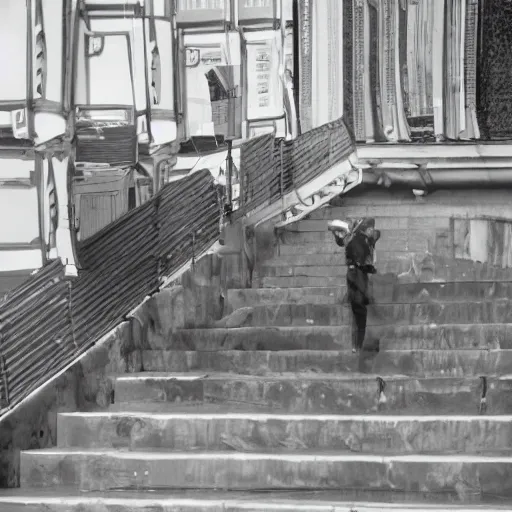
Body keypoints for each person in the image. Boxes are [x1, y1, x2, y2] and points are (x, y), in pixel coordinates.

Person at [331, 218, 381, 353]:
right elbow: (345, 244)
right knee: (359, 311)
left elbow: (376, 235)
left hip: (358, 276)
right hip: (356, 276)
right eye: (369, 229)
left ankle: (359, 344)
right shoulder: (356, 240)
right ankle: (358, 345)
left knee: (360, 311)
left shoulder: (364, 239)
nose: (372, 231)